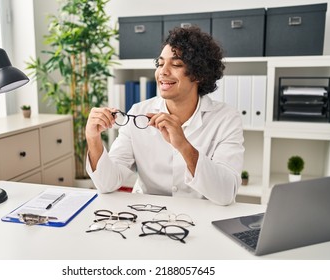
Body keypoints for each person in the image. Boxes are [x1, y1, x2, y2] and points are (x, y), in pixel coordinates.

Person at [85, 26, 244, 206]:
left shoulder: (226, 118)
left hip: (202, 217)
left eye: (176, 64)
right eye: (160, 64)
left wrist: (183, 146)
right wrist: (93, 138)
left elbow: (226, 193)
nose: (163, 71)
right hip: (146, 214)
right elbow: (107, 183)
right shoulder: (138, 112)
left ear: (199, 74)